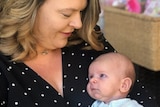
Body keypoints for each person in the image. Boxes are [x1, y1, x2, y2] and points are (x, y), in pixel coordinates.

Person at [0, 0, 157, 107]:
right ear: (28, 11)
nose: (78, 23)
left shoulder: (88, 40)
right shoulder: (5, 67)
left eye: (81, 12)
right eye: (66, 14)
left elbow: (141, 96)